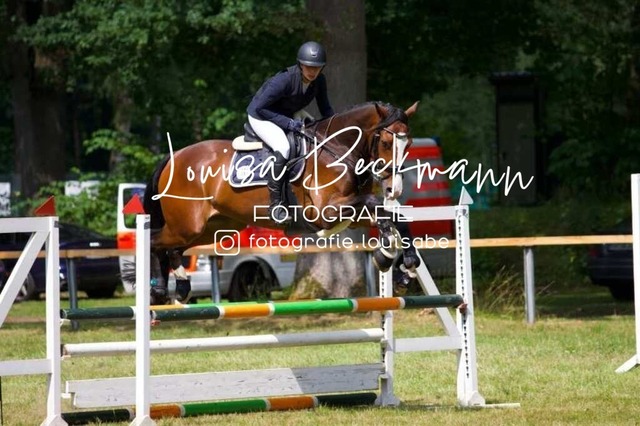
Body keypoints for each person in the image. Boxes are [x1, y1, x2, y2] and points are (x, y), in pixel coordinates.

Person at [247, 41, 335, 224]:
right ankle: (276, 205)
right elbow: (261, 107)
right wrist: (288, 123)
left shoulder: (319, 81)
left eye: (317, 67)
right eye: (308, 66)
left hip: (287, 113)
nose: (312, 71)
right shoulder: (284, 80)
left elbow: (325, 109)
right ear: (300, 65)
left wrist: (337, 128)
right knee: (283, 147)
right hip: (261, 115)